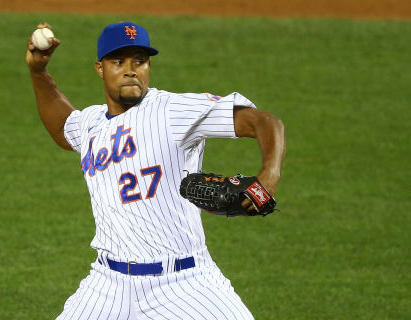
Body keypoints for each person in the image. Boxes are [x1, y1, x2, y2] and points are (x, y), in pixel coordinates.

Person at [26, 21, 285, 320]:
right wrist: (39, 72)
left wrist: (269, 176)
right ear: (100, 68)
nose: (131, 69)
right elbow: (62, 127)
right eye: (118, 61)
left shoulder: (173, 111)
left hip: (184, 282)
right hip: (107, 284)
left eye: (140, 61)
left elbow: (265, 122)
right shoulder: (91, 124)